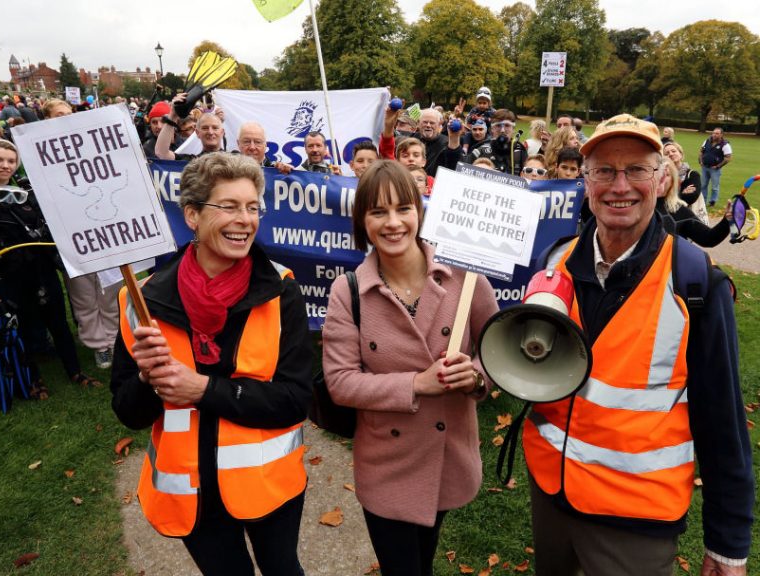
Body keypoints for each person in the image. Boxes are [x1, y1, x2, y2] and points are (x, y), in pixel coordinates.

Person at [528, 114, 754, 576]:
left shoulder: (695, 283)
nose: (620, 186)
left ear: (661, 179)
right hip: (550, 495)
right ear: (585, 181)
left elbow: (723, 420)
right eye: (604, 171)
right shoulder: (557, 261)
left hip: (634, 519)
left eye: (636, 170)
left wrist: (728, 541)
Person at [111, 152, 313, 575]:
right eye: (229, 206)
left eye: (253, 207)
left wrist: (203, 389)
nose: (245, 220)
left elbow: (295, 400)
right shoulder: (141, 301)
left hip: (268, 487)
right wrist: (147, 380)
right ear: (192, 215)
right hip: (191, 495)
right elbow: (128, 412)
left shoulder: (281, 291)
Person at [323, 160, 498, 576]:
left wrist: (475, 376)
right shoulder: (349, 291)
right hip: (387, 464)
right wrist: (416, 384)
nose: (393, 223)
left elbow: (498, 351)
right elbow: (340, 382)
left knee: (424, 557)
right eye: (378, 212)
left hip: (448, 455)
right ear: (362, 221)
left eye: (403, 208)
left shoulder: (464, 277)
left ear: (420, 211)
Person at [0, 139, 99, 393]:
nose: (6, 165)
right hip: (7, 276)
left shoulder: (27, 193)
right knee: (23, 327)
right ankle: (33, 380)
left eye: (11, 160)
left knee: (59, 323)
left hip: (42, 269)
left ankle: (75, 371)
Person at [41, 99, 120, 371]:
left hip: (105, 230)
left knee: (111, 291)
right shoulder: (41, 155)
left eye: (67, 113)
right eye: (57, 115)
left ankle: (114, 338)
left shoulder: (90, 145)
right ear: (46, 119)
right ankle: (99, 345)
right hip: (72, 237)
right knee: (83, 295)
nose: (64, 118)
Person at [657, 157, 731, 247]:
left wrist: (727, 220)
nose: (662, 179)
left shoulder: (677, 210)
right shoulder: (641, 208)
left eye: (667, 175)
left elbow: (708, 238)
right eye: (658, 173)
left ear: (673, 180)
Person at [663, 141, 708, 225]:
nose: (671, 154)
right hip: (671, 220)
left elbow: (691, 197)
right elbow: (661, 201)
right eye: (667, 153)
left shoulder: (693, 175)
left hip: (691, 219)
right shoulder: (663, 177)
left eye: (673, 151)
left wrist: (673, 197)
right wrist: (682, 193)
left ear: (681, 154)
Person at [698, 127, 732, 206]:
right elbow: (701, 151)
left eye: (717, 133)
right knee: (703, 185)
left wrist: (718, 166)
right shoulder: (707, 141)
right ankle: (703, 201)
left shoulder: (725, 144)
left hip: (715, 169)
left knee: (714, 186)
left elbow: (728, 158)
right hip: (705, 167)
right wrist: (700, 161)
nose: (714, 135)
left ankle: (713, 200)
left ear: (721, 135)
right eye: (713, 133)